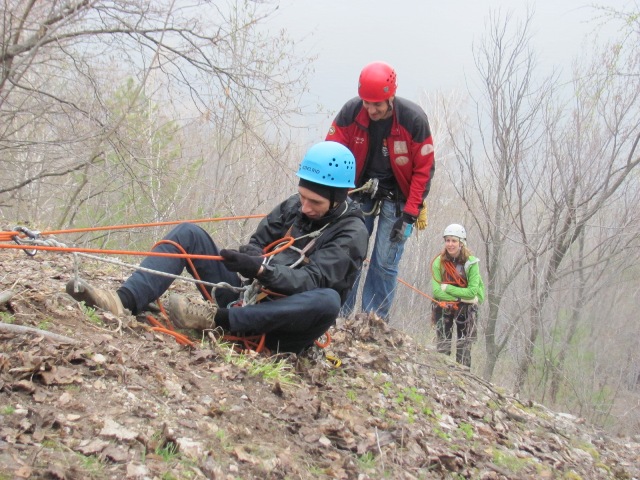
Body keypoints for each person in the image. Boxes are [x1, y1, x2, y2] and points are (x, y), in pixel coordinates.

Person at [65, 141, 369, 354]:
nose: (304, 207)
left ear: (340, 197)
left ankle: (218, 320)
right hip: (245, 296)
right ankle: (123, 300)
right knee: (189, 233)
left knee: (327, 301)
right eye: (302, 196)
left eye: (314, 202)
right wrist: (252, 256)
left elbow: (312, 282)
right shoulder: (295, 206)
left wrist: (263, 269)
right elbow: (259, 241)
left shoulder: (351, 233)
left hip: (281, 325)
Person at [326, 60, 435, 321]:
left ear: (391, 98)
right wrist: (332, 197)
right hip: (358, 192)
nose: (371, 109)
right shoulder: (351, 112)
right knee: (349, 253)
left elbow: (424, 169)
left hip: (397, 199)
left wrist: (410, 215)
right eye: (367, 102)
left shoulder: (413, 120)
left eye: (377, 104)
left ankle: (373, 320)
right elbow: (332, 151)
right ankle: (338, 315)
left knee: (385, 263)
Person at [431, 224, 485, 367]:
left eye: (454, 241)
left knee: (464, 346)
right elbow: (437, 292)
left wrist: (448, 288)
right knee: (443, 344)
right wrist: (461, 298)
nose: (450, 244)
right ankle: (442, 371)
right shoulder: (439, 261)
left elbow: (473, 292)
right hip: (446, 305)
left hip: (467, 308)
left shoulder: (471, 263)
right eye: (447, 240)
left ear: (461, 243)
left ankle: (463, 374)